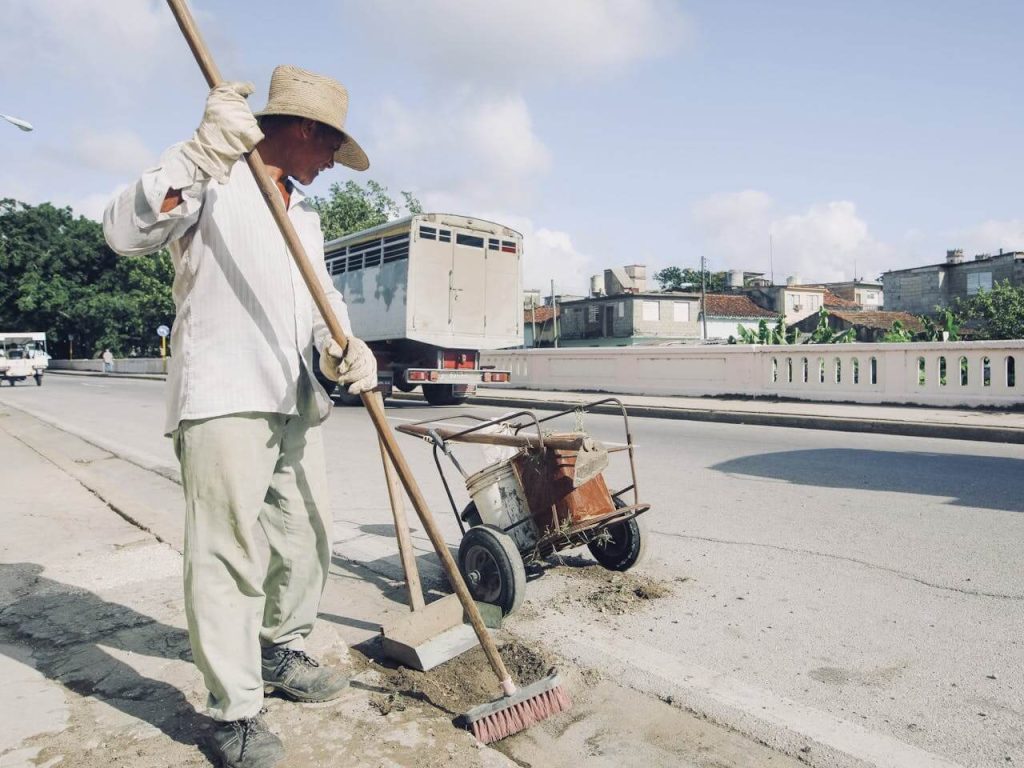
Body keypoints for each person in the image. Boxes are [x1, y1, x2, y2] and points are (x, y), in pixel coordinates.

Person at [103, 65, 377, 768]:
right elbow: (123, 231)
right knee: (225, 557)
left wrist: (347, 348)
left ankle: (279, 649)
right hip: (224, 396)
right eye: (329, 149)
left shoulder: (306, 215)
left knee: (307, 538)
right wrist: (196, 153)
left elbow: (320, 304)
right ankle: (235, 712)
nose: (330, 166)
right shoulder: (212, 175)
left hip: (296, 401)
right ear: (306, 130)